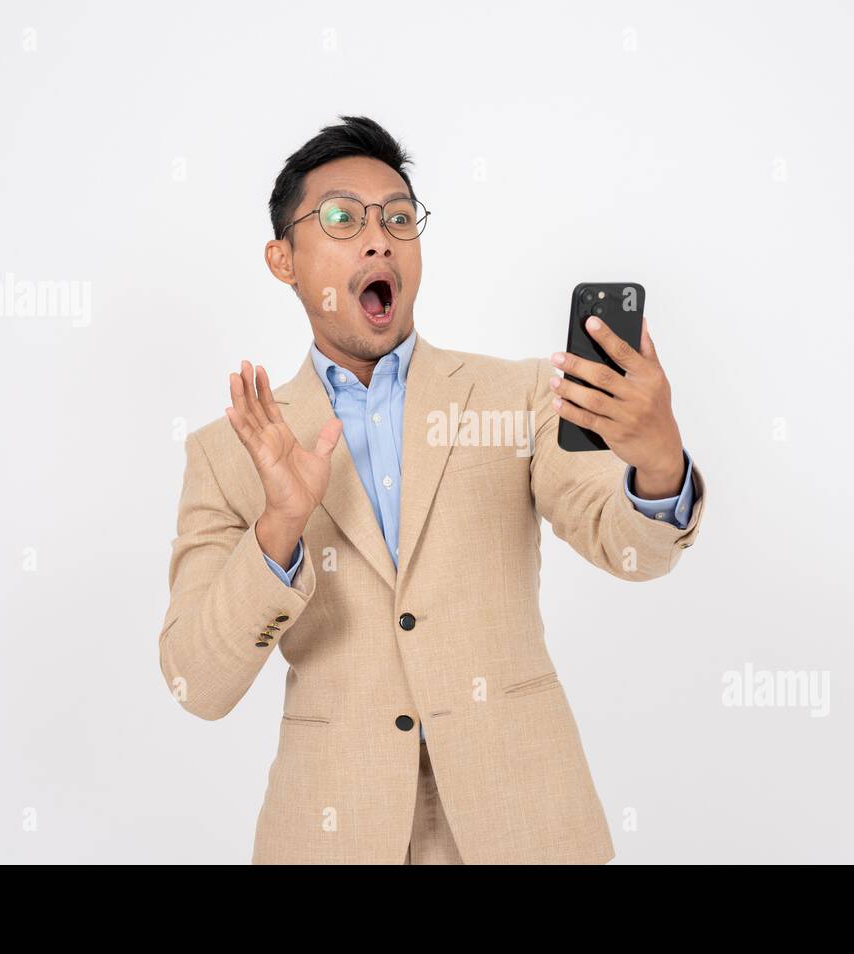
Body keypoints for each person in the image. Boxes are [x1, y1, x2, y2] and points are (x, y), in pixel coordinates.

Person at [158, 115, 705, 864]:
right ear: (282, 260)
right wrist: (279, 524)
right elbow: (199, 682)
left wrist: (658, 465)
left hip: (525, 828)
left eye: (399, 217)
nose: (379, 237)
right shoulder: (229, 452)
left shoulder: (515, 396)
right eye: (343, 218)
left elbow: (630, 545)